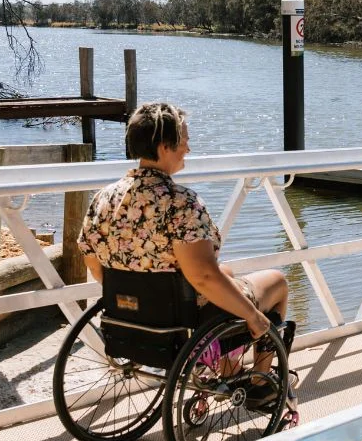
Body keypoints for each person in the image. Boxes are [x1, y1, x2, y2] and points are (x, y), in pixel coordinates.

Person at [77, 102, 295, 412]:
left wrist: (134, 292)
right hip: (181, 322)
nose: (188, 148)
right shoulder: (181, 203)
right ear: (164, 147)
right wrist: (253, 317)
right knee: (277, 282)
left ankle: (230, 372)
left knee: (228, 273)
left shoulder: (105, 197)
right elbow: (203, 277)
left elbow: (91, 257)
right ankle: (260, 383)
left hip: (127, 314)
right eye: (183, 141)